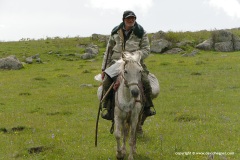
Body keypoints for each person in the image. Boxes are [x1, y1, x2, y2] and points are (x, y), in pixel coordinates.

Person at [101, 10, 156, 121]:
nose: (131, 20)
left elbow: (146, 49)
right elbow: (108, 51)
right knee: (106, 81)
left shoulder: (141, 32)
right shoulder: (115, 32)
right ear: (123, 20)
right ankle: (107, 107)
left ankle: (147, 107)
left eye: (133, 18)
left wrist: (135, 56)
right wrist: (104, 68)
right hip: (116, 62)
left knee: (145, 81)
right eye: (128, 18)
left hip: (135, 62)